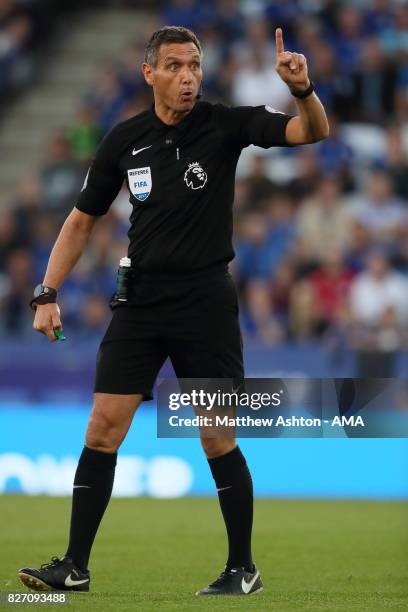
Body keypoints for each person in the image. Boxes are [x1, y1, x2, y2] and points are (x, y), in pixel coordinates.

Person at [17, 26, 329, 596]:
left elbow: (312, 133)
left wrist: (304, 92)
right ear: (150, 73)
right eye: (176, 67)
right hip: (139, 302)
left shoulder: (226, 123)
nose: (188, 77)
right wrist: (46, 292)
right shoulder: (124, 140)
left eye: (194, 66)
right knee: (103, 426)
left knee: (215, 434)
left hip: (204, 302)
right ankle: (74, 566)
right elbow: (81, 220)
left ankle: (242, 569)